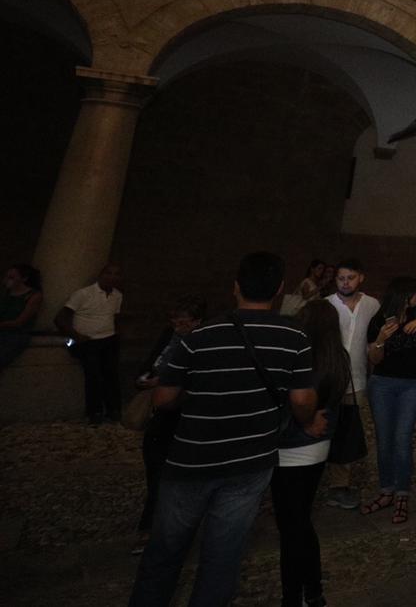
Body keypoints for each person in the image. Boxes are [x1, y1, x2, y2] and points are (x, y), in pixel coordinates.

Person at [128, 252, 323, 607]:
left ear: (236, 287)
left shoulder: (200, 335)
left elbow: (163, 396)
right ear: (280, 289)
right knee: (223, 557)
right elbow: (301, 399)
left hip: (192, 458)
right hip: (250, 461)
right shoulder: (293, 336)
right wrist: (306, 418)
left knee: (164, 554)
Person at [274, 299, 350, 607]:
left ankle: (293, 596)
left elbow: (295, 401)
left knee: (291, 527)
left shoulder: (300, 355)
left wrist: (303, 420)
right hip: (318, 448)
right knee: (300, 521)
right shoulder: (337, 357)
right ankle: (313, 590)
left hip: (290, 449)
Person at [132, 297, 206, 553]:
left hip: (181, 412)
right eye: (174, 322)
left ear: (197, 322)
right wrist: (145, 377)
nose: (178, 327)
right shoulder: (170, 336)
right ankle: (154, 525)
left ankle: (163, 528)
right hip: (162, 413)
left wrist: (163, 382)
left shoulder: (200, 342)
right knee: (158, 472)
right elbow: (153, 359)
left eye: (183, 322)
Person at [362, 276, 416, 523]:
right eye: (415, 293)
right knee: (384, 439)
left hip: (412, 384)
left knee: (402, 439)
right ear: (404, 295)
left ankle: (402, 494)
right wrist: (380, 340)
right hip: (382, 384)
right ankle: (386, 490)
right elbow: (374, 360)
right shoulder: (379, 319)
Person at [324, 259, 380, 509]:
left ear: (361, 278)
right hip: (330, 380)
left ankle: (339, 485)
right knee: (326, 428)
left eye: (350, 278)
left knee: (347, 432)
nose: (345, 283)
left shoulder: (372, 305)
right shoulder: (327, 305)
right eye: (341, 278)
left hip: (356, 380)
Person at [55, 263, 123, 424]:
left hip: (108, 339)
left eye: (116, 274)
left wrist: (117, 333)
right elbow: (60, 318)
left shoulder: (117, 295)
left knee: (111, 375)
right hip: (88, 341)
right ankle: (95, 412)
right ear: (101, 275)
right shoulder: (83, 294)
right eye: (108, 273)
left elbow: (114, 316)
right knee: (94, 375)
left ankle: (113, 410)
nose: (112, 277)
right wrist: (76, 336)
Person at [0, 263, 43, 371]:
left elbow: (19, 322)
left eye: (11, 277)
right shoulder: (6, 293)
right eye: (6, 277)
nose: (7, 280)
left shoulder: (33, 295)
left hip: (15, 335)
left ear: (24, 278)